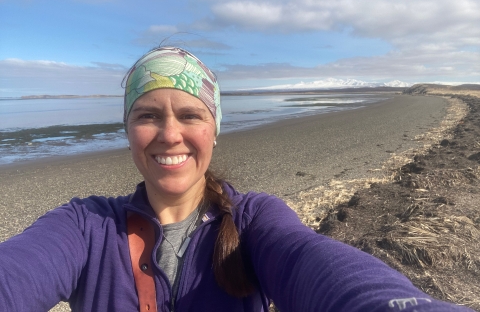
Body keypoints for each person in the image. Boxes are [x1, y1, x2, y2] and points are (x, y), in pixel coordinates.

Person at [0, 47, 473, 312]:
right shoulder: (85, 226)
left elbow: (320, 267)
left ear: (214, 130)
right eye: (147, 116)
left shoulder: (253, 220)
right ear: (127, 132)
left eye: (190, 115)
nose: (170, 135)